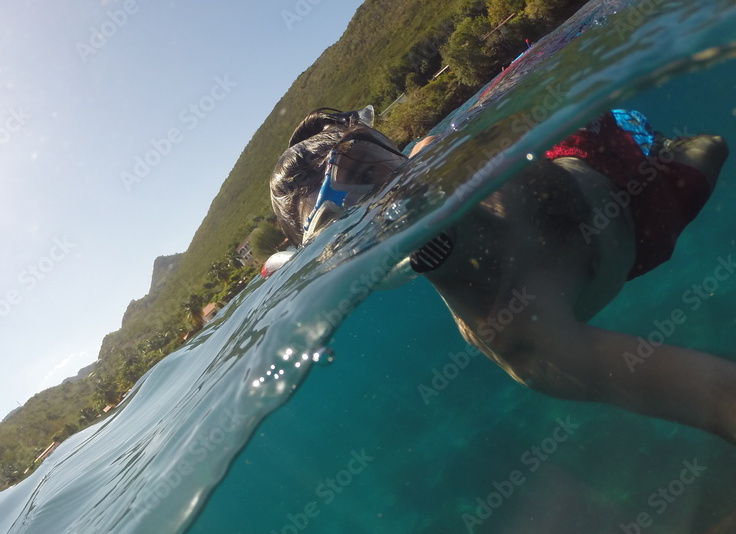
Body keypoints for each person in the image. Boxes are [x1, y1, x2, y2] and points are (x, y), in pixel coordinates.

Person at [269, 106, 736, 444]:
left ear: (404, 158)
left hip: (579, 144)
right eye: (343, 223)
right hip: (646, 217)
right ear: (332, 262)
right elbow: (720, 396)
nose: (383, 212)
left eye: (375, 174)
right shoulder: (518, 335)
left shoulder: (451, 153)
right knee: (711, 148)